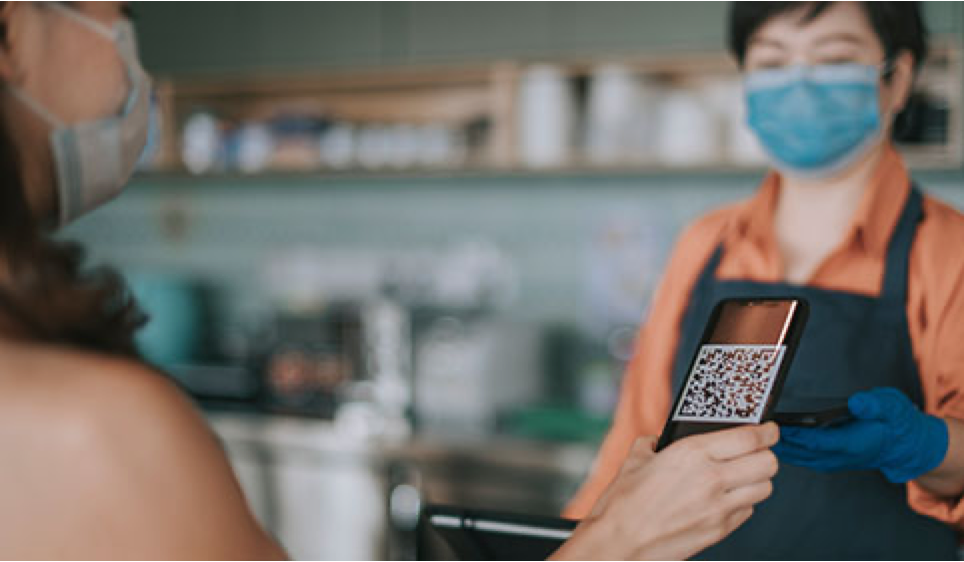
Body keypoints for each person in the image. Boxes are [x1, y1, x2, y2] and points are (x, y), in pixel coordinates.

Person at [0, 2, 779, 559]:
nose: (129, 48)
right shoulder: (98, 430)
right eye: (118, 9)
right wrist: (619, 543)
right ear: (9, 34)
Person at [565, 2, 964, 559]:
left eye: (834, 59)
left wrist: (922, 445)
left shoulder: (958, 252)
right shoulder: (705, 245)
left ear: (897, 78)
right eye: (772, 63)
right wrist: (581, 540)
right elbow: (637, 439)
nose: (799, 85)